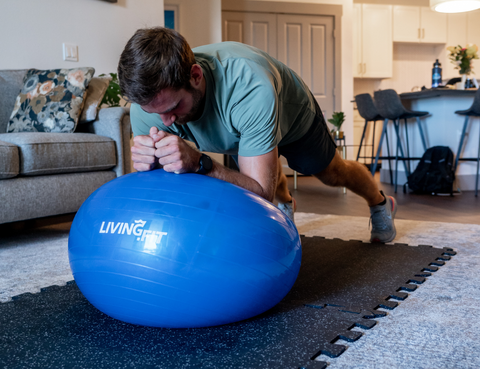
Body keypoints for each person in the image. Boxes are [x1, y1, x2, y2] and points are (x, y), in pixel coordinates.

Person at [118, 27, 397, 243]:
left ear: (195, 76)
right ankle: (286, 204)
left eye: (175, 107)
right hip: (242, 124)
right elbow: (156, 190)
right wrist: (148, 163)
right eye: (155, 113)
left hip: (293, 118)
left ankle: (380, 203)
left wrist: (200, 163)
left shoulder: (249, 87)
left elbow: (259, 193)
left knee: (333, 173)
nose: (166, 121)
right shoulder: (149, 105)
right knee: (262, 173)